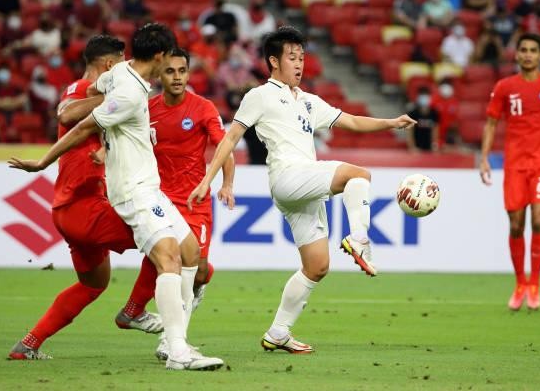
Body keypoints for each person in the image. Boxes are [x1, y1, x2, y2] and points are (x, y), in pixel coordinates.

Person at [8, 23, 224, 370]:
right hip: (133, 192)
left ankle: (172, 337)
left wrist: (95, 98)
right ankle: (176, 350)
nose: (171, 69)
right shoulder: (130, 95)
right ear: (158, 56)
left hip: (149, 187)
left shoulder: (119, 73)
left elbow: (93, 86)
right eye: (168, 60)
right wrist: (42, 162)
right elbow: (82, 126)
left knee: (189, 252)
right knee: (167, 257)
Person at [187, 26, 416, 353]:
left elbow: (350, 120)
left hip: (303, 186)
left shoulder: (308, 101)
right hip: (287, 176)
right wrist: (213, 180)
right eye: (292, 57)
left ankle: (278, 332)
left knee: (317, 266)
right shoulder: (260, 95)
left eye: (302, 57)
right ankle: (359, 238)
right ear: (273, 61)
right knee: (358, 175)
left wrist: (390, 123)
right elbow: (231, 137)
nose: (299, 64)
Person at [7, 35, 163, 361]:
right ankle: (134, 311)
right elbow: (66, 116)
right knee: (167, 240)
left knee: (94, 283)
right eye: (124, 64)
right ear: (110, 65)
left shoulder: (107, 101)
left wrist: (107, 153)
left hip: (71, 208)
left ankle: (28, 345)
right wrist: (121, 95)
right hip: (84, 207)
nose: (128, 71)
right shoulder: (81, 89)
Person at [144, 47, 236, 360]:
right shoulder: (147, 110)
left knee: (196, 270)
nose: (178, 77)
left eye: (182, 71)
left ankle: (174, 331)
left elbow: (224, 146)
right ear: (158, 75)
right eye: (170, 71)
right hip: (158, 201)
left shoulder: (202, 108)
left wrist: (225, 183)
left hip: (195, 201)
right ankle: (173, 340)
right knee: (170, 266)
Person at [479, 33, 540, 312]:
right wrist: (484, 158)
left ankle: (535, 283)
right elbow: (490, 123)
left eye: (534, 50)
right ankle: (520, 282)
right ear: (517, 54)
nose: (528, 54)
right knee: (516, 224)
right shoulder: (505, 87)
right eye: (524, 50)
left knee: (539, 217)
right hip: (515, 164)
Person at [406, 86, 439, 152]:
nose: (424, 98)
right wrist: (412, 147)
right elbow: (410, 131)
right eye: (422, 96)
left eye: (426, 96)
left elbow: (435, 130)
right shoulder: (413, 113)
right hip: (417, 148)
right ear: (418, 97)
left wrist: (434, 145)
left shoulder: (434, 113)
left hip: (429, 148)